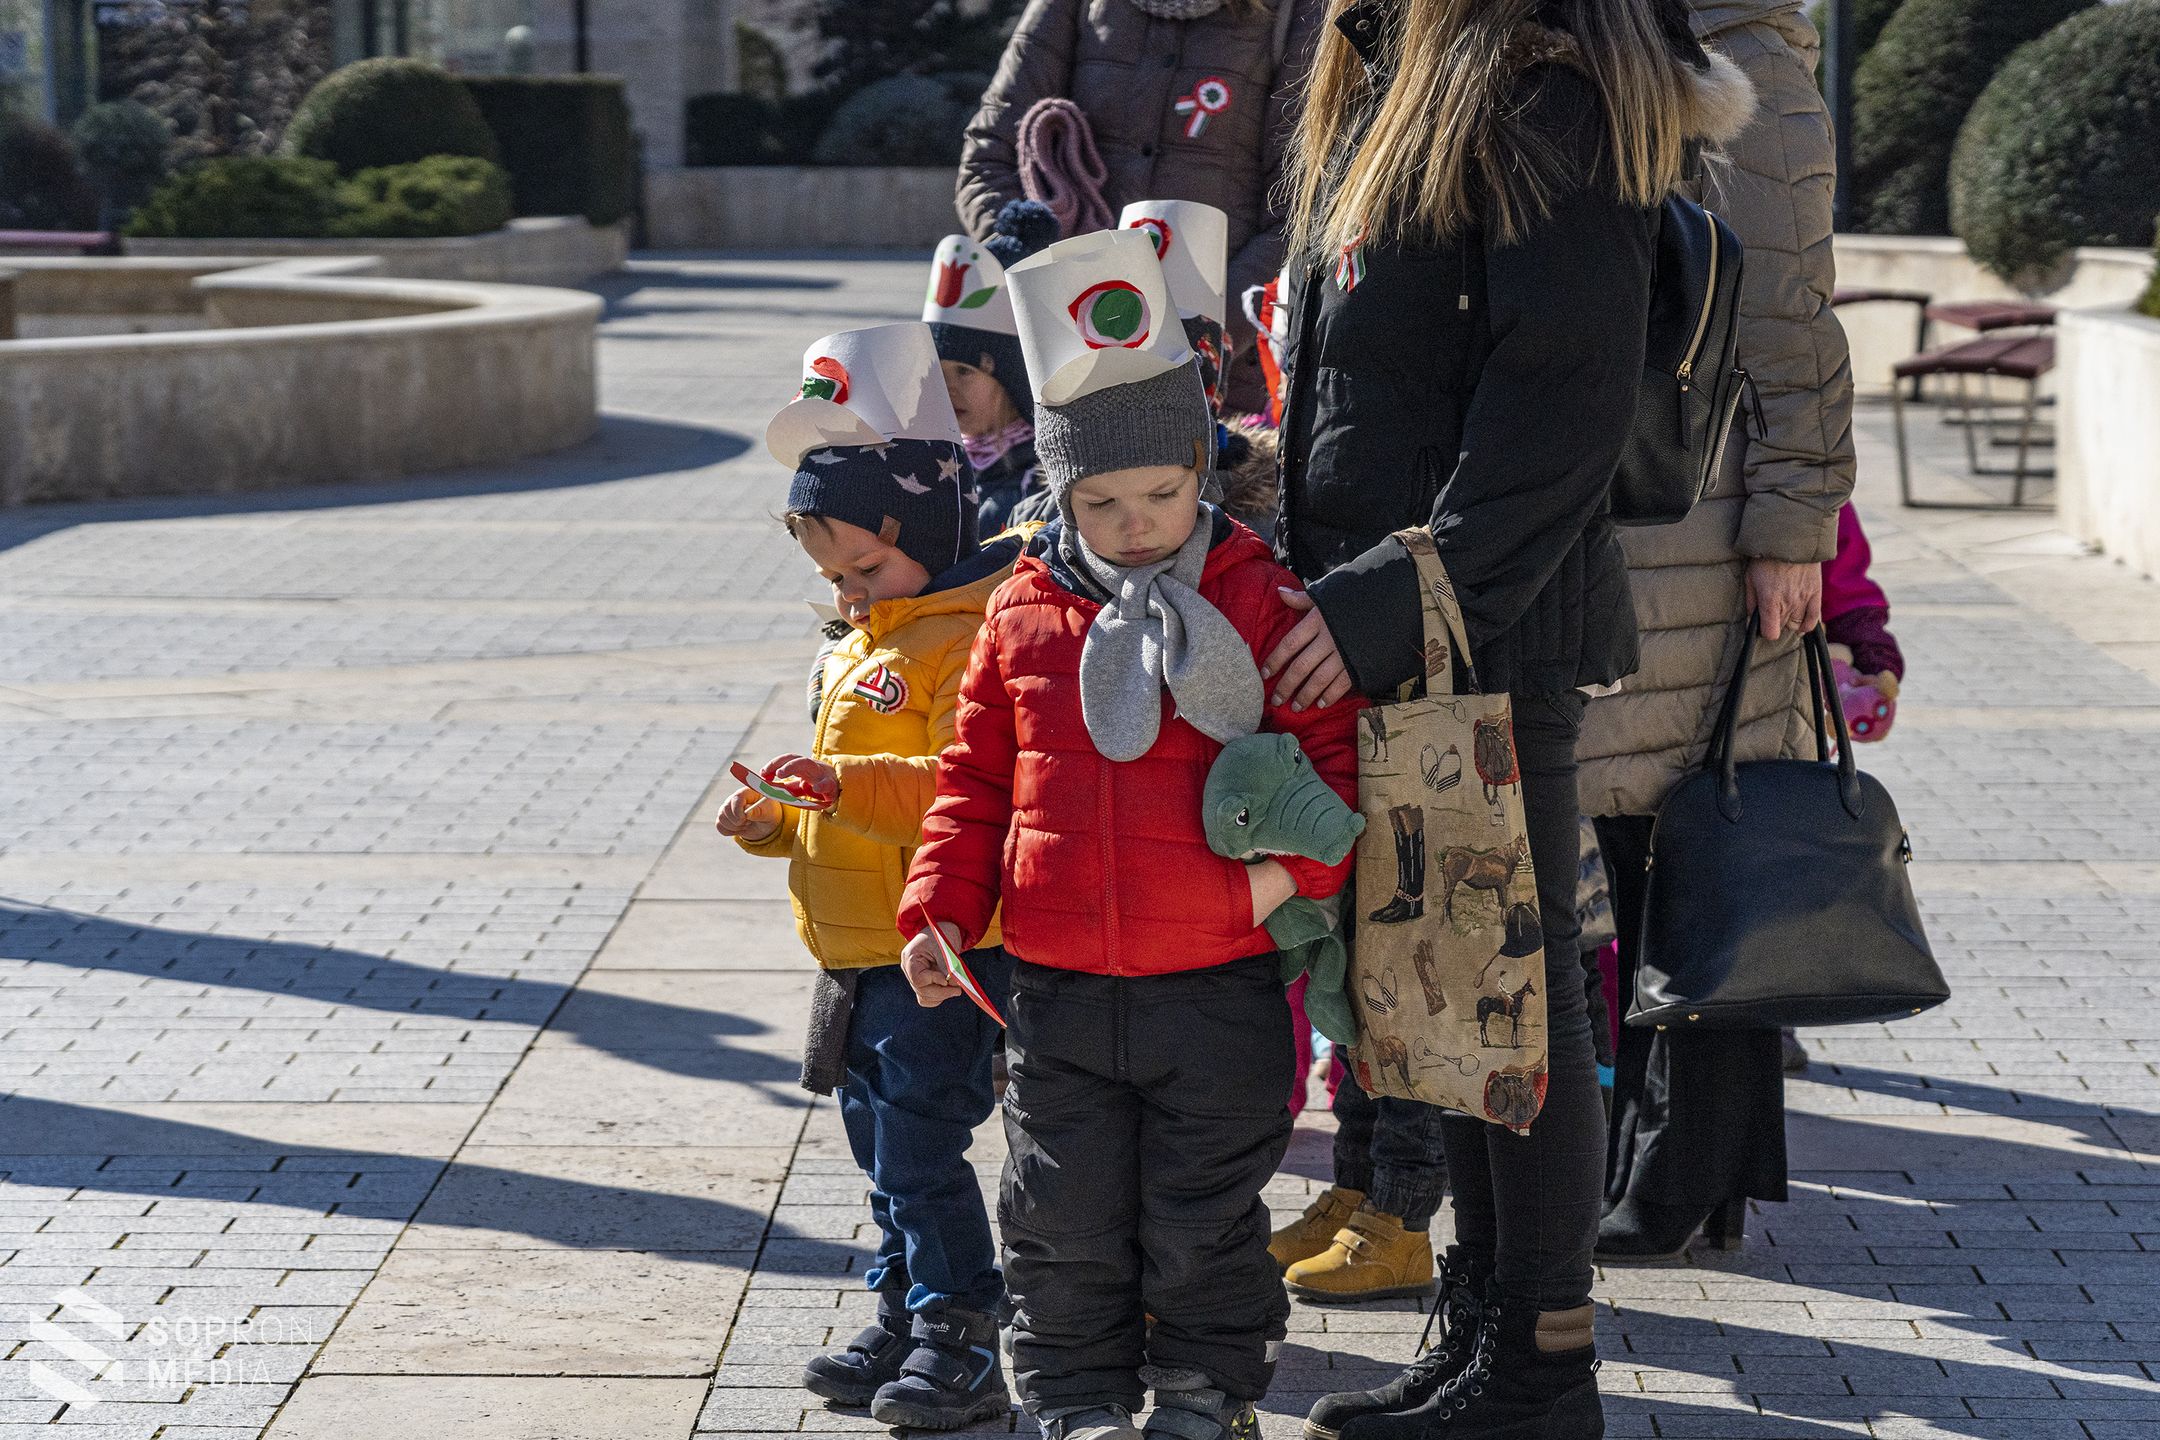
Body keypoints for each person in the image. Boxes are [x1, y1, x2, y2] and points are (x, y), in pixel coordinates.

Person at [1259, 0, 1754, 1434]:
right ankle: (1483, 1340)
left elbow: (1558, 411)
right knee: (1447, 1012)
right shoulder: (1393, 77)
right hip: (1409, 636)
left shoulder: (1547, 97)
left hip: (1480, 637)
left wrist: (1382, 603)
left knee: (1501, 1013)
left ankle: (1541, 1367)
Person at [897, 228, 1362, 1440]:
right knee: (1062, 1214)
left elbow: (1330, 764)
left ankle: (1207, 1397)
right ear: (1059, 491)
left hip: (1216, 984)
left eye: (1162, 494)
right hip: (1052, 983)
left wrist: (1273, 889)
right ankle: (1078, 1403)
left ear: (1200, 473)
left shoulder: (1260, 594)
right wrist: (941, 910)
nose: (1138, 523)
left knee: (1203, 1216)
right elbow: (972, 779)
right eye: (1101, 503)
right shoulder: (1021, 612)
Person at [1580, 0, 1857, 1265]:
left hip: (1714, 514)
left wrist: (1796, 526)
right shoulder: (1631, 39)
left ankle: (1680, 1170)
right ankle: (1689, 1165)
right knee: (1656, 851)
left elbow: (1796, 319)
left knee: (1699, 853)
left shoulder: (1749, 58)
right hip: (1645, 509)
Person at [718, 321, 1023, 1431]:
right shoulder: (863, 641)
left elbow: (956, 785)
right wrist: (772, 818)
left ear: (931, 532)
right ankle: (900, 1306)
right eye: (832, 574)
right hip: (848, 951)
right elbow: (841, 797)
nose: (848, 592)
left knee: (922, 1151)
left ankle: (960, 1332)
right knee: (881, 1153)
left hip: (928, 950)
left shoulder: (963, 638)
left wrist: (841, 784)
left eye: (865, 566)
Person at [956, 0, 1328, 413]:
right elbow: (989, 161)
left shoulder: (1298, 13)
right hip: (1071, 376)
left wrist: (1195, 342)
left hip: (1220, 391)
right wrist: (1057, 303)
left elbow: (1301, 213)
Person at [925, 200, 1062, 534]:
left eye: (964, 371)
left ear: (1013, 379)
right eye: (937, 372)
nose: (947, 388)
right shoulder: (938, 465)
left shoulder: (1040, 482)